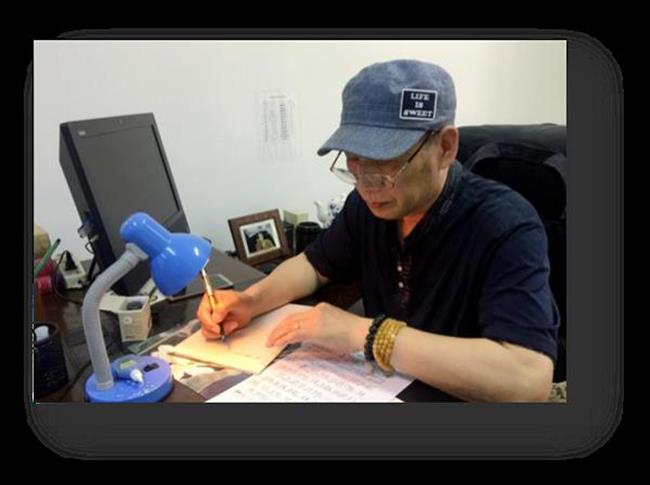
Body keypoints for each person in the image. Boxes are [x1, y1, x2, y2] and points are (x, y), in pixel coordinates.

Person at [197, 59, 560, 402]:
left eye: (385, 162)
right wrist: (251, 301)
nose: (366, 184)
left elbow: (528, 378)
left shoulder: (505, 225)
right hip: (383, 388)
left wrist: (365, 334)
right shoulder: (369, 206)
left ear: (446, 147)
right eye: (354, 159)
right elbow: (313, 265)